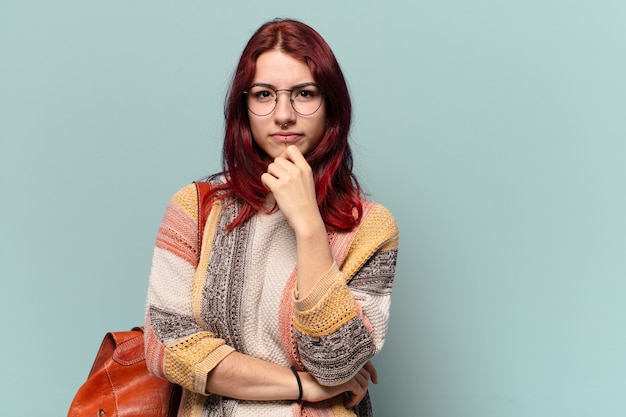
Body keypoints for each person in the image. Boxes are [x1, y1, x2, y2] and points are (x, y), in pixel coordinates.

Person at [144, 18, 399, 417]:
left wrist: (310, 226)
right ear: (243, 107)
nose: (283, 114)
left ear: (331, 105)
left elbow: (337, 362)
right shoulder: (196, 208)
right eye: (264, 94)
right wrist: (302, 385)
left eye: (304, 93)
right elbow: (165, 346)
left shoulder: (370, 226)